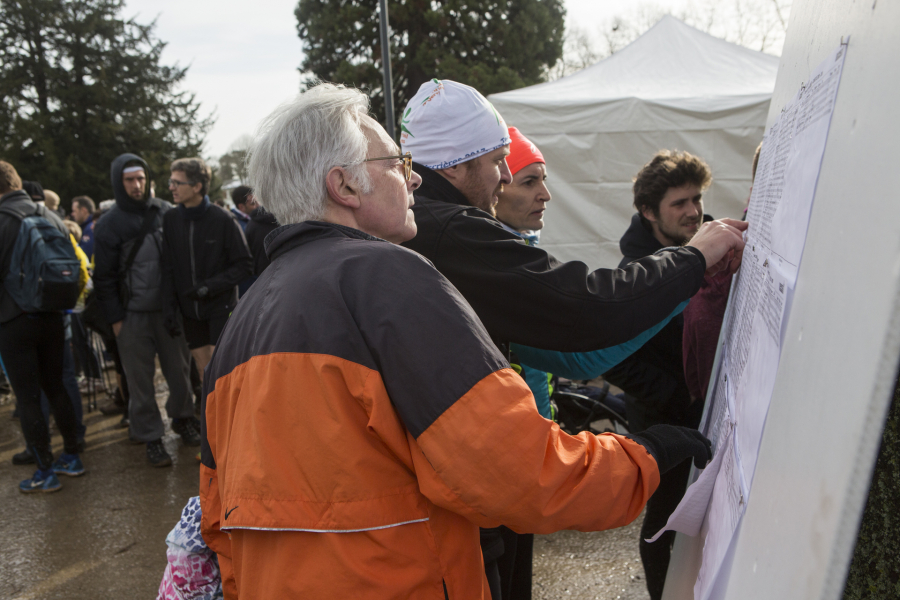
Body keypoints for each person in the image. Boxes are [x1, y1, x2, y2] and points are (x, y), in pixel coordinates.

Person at [199, 83, 715, 600]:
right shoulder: (388, 277)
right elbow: (507, 465)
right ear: (345, 187)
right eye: (397, 165)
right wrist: (640, 459)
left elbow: (218, 519)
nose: (415, 177)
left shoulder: (244, 318)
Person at [398, 79, 747, 599]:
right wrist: (692, 260)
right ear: (454, 166)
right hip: (468, 493)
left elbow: (576, 351)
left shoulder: (429, 223)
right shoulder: (452, 229)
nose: (505, 179)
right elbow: (583, 310)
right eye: (499, 164)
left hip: (475, 489)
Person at [601, 149, 714, 600]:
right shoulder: (635, 276)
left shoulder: (713, 244)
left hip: (714, 408)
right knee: (666, 522)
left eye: (697, 198)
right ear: (649, 212)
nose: (693, 211)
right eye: (679, 204)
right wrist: (674, 395)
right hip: (663, 419)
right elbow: (610, 356)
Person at [93, 154, 199, 468]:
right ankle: (151, 436)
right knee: (140, 382)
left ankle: (183, 420)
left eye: (141, 178)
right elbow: (104, 278)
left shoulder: (166, 211)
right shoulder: (110, 223)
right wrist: (116, 320)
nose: (137, 185)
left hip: (168, 312)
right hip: (132, 316)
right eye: (129, 180)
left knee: (179, 374)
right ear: (118, 182)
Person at [0, 160, 85, 492]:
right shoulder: (49, 215)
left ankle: (44, 472)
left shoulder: (3, 220)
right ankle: (72, 457)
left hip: (13, 318)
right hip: (53, 313)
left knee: (28, 397)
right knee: (56, 386)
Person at [161, 157, 252, 381]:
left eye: (177, 183)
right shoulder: (171, 219)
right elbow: (168, 266)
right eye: (170, 182)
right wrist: (169, 309)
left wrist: (208, 287)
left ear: (197, 186)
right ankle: (209, 416)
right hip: (189, 311)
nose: (171, 188)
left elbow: (244, 265)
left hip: (220, 307)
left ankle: (229, 416)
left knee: (221, 371)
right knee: (204, 373)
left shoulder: (222, 219)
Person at [244, 201, 279, 276]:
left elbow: (248, 251)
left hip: (261, 274)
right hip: (284, 268)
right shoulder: (283, 220)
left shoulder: (251, 225)